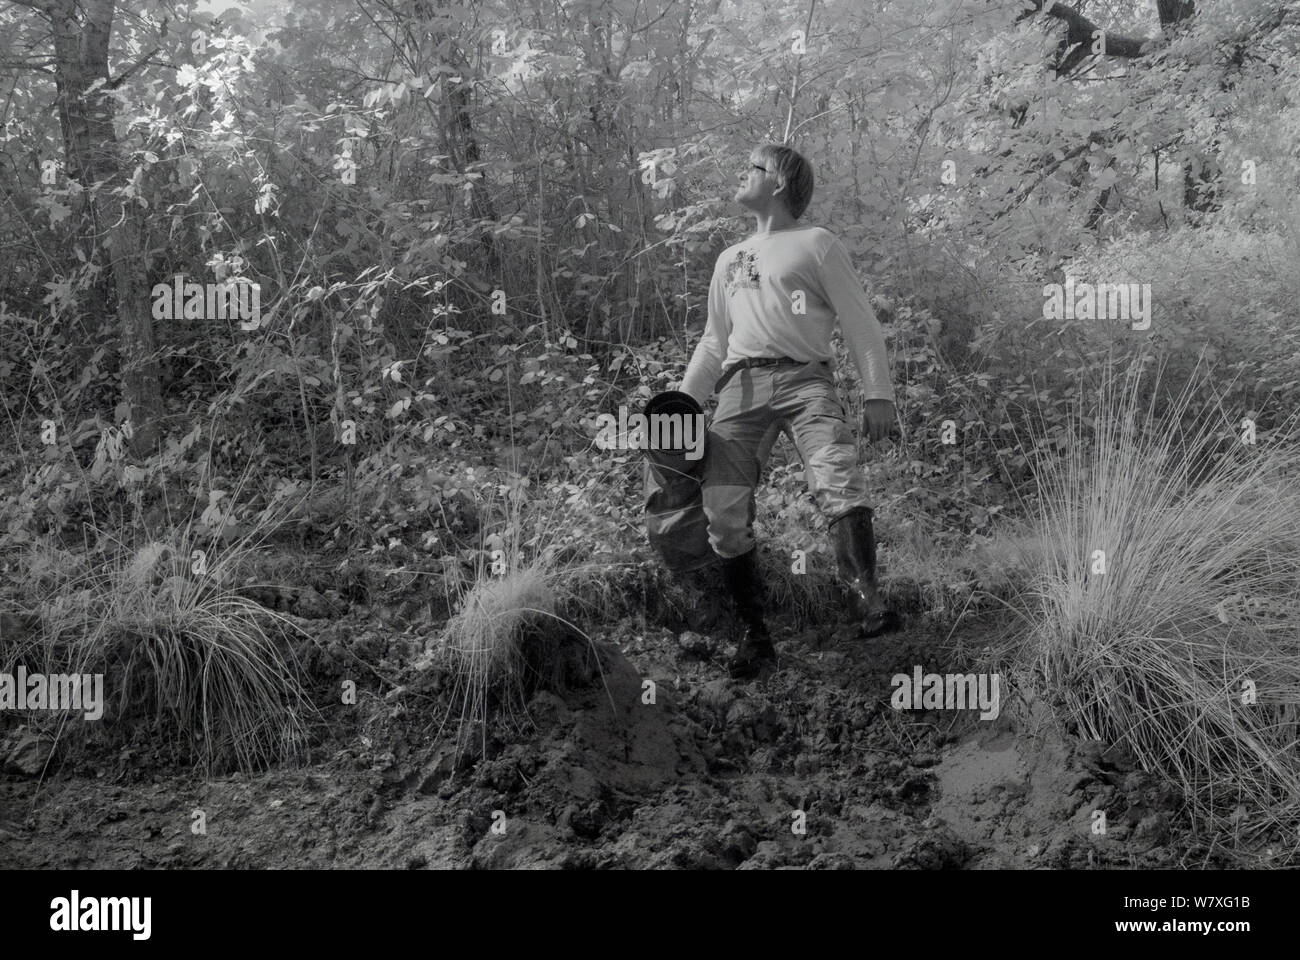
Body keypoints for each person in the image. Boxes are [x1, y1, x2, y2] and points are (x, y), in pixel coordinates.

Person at [677, 142, 900, 680]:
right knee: (723, 512)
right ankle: (755, 636)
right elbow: (713, 342)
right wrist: (680, 406)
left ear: (777, 182)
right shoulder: (729, 258)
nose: (741, 173)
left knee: (837, 477)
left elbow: (860, 323)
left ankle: (868, 601)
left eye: (751, 167)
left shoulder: (816, 244)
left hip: (806, 380)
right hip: (739, 387)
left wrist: (879, 394)